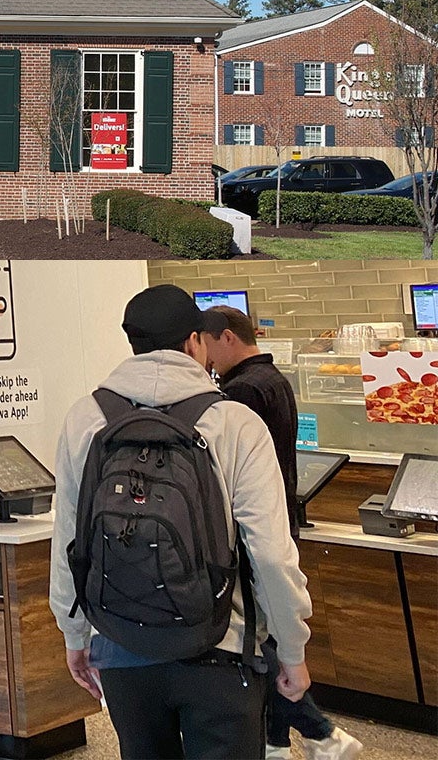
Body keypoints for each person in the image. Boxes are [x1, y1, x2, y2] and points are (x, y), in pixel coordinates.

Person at [49, 284, 314, 759]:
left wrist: (73, 635)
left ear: (132, 343)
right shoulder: (234, 423)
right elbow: (271, 554)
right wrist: (291, 649)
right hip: (221, 646)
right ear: (195, 342)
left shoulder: (85, 419)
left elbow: (68, 539)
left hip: (119, 643)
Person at [202, 305, 363, 760]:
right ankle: (277, 743)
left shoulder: (241, 393)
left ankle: (321, 733)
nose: (206, 358)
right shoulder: (273, 380)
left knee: (262, 640)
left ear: (225, 338)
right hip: (280, 520)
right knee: (267, 637)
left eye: (207, 345)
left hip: (255, 530)